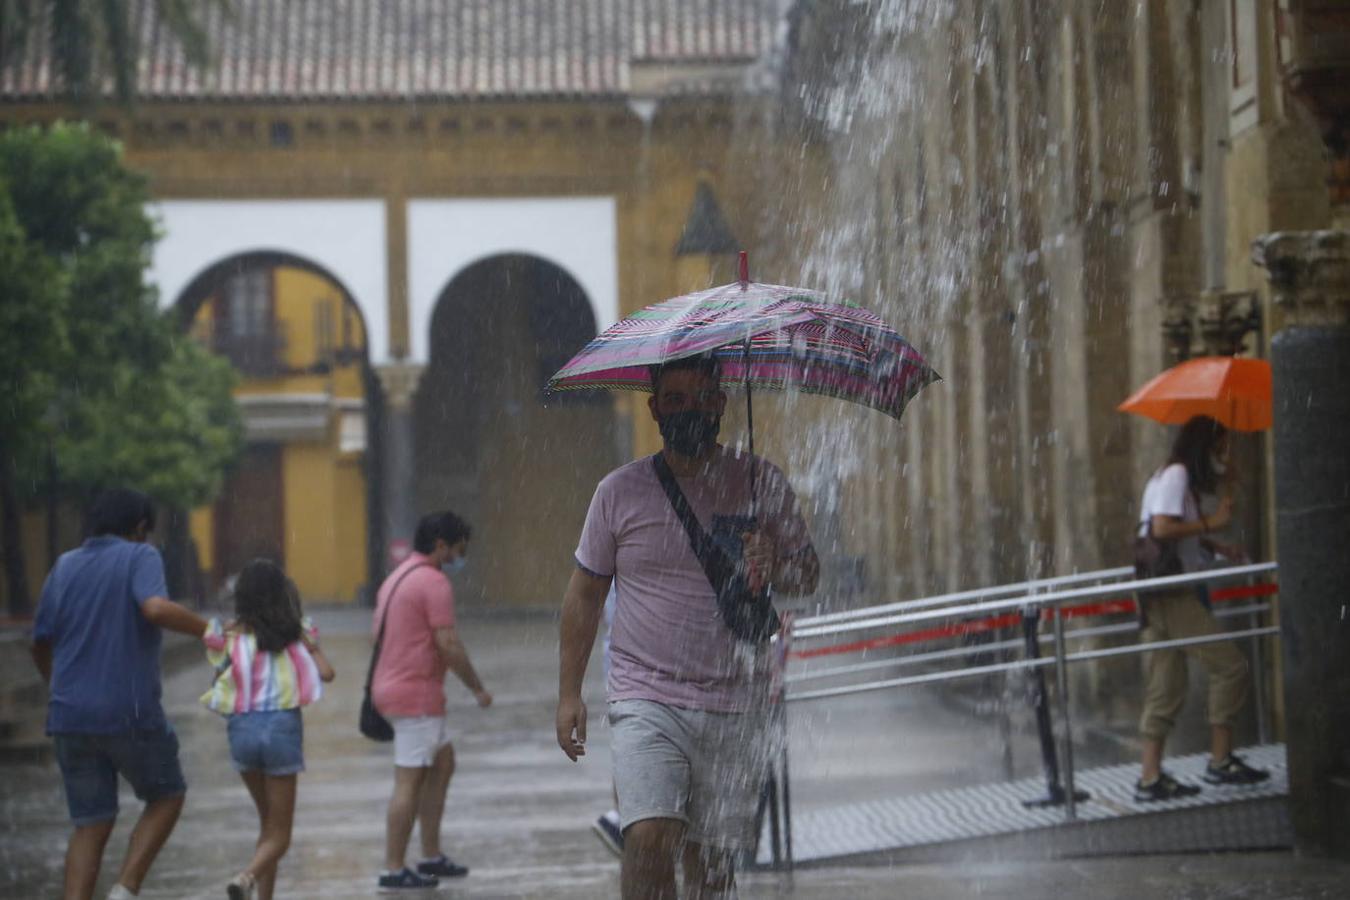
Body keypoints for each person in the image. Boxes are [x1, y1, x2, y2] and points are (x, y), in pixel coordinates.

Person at [556, 354, 819, 899]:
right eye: (675, 400)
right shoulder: (618, 493)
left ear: (722, 405)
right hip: (646, 694)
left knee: (712, 865)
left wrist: (777, 561)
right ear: (654, 409)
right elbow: (584, 594)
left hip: (737, 699)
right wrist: (568, 693)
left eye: (701, 398)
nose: (689, 411)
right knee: (649, 836)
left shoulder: (760, 481)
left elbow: (807, 574)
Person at [30, 488, 209, 900]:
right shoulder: (138, 556)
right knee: (167, 794)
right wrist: (210, 630)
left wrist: (58, 687)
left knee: (90, 824)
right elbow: (155, 609)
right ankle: (125, 889)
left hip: (69, 717)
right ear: (140, 527)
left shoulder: (64, 566)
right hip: (127, 710)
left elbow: (40, 642)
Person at [1134, 415, 1270, 801]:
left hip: (1163, 591)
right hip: (1173, 593)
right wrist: (1213, 521)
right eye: (1221, 447)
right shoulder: (1176, 475)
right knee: (1230, 666)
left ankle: (1149, 777)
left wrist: (1217, 544)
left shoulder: (1175, 479)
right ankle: (1220, 758)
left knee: (1167, 684)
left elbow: (1171, 529)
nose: (1224, 455)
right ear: (1204, 447)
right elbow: (1161, 529)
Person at [200, 559, 336, 900]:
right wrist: (311, 647)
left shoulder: (228, 635)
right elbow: (327, 673)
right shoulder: (297, 631)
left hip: (242, 731)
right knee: (281, 835)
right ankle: (246, 878)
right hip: (281, 731)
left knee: (268, 827)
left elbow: (220, 681)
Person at [372, 510, 493, 891]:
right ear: (441, 545)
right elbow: (448, 643)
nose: (460, 558)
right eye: (459, 550)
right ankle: (393, 868)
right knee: (409, 779)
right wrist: (476, 687)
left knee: (443, 761)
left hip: (391, 687)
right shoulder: (433, 582)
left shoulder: (397, 578)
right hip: (415, 696)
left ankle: (431, 855)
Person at [591, 584, 623, 857]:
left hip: (617, 660)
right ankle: (622, 818)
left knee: (626, 739)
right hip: (629, 663)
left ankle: (621, 817)